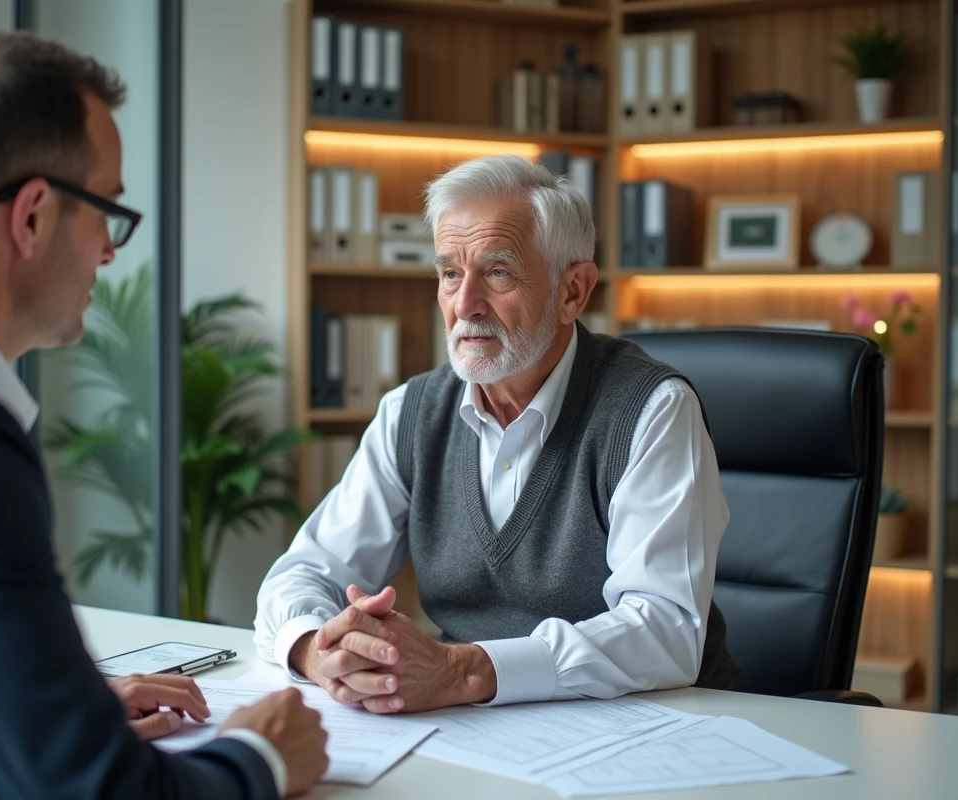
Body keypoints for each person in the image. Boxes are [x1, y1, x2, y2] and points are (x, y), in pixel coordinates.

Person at [0, 31, 327, 799]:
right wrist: (260, 756)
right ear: (35, 214)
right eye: (107, 210)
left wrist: (35, 709)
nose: (110, 254)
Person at [255, 155, 739, 715]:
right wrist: (322, 651)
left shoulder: (651, 410)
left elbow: (665, 630)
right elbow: (305, 572)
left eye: (498, 272)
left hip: (655, 728)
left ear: (573, 292)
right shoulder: (409, 413)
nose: (464, 305)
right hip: (477, 728)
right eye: (450, 273)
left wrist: (463, 671)